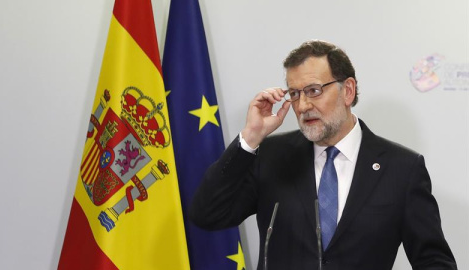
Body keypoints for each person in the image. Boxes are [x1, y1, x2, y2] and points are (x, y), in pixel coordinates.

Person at [189, 40, 457, 269]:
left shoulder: (402, 169)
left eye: (314, 91)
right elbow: (207, 214)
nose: (303, 105)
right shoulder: (271, 155)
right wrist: (249, 139)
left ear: (348, 90)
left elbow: (434, 262)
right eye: (294, 94)